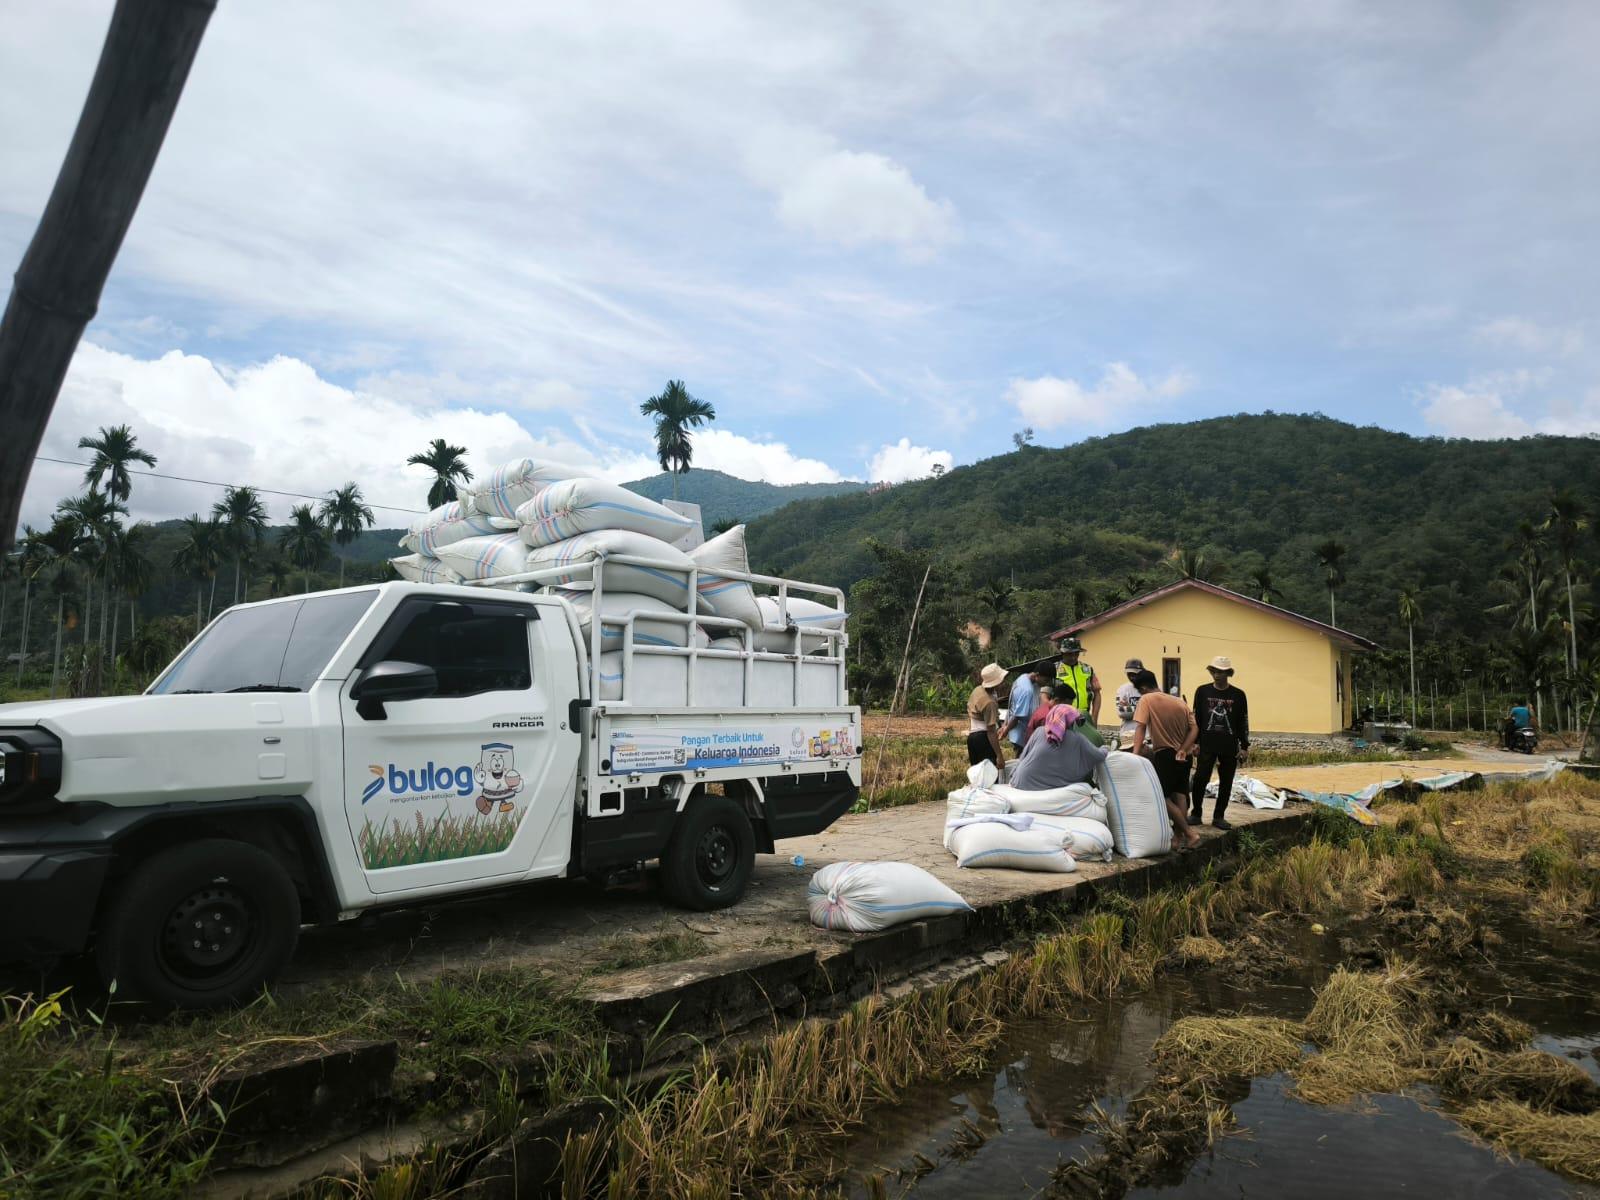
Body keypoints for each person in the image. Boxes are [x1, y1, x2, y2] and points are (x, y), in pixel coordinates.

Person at [1129, 669, 1200, 850]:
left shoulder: (1146, 700)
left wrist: (1135, 755)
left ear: (1144, 687)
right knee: (1180, 795)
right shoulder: (1179, 702)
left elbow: (1140, 727)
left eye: (1140, 691)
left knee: (1160, 796)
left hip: (1165, 754)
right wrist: (1184, 749)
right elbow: (1194, 729)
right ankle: (1178, 838)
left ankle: (1190, 833)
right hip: (1184, 755)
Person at [1189, 656, 1250, 831]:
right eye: (1214, 671)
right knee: (1200, 778)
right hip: (1206, 743)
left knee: (1226, 781)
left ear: (1228, 674)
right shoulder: (1202, 691)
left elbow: (1243, 721)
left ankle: (1219, 816)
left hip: (1229, 745)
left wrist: (1244, 746)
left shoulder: (1238, 695)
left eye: (1221, 672)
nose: (1217, 674)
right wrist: (1194, 742)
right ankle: (1196, 813)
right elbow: (1197, 718)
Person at [1011, 703, 1111, 790]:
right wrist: (1105, 748)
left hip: (1021, 782)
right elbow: (1099, 756)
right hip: (1048, 787)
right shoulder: (1077, 738)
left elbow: (1022, 757)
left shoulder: (1039, 731)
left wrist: (1013, 774)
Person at [1053, 636, 1102, 728]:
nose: (1073, 657)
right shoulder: (1054, 669)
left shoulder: (1087, 669)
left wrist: (1094, 719)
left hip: (1084, 717)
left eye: (1076, 654)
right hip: (1062, 718)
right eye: (1069, 654)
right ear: (1062, 653)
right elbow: (1045, 696)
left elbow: (1097, 693)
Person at [1002, 665, 1049, 757]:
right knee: (1022, 760)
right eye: (1045, 680)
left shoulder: (1023, 678)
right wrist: (1006, 730)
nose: (1045, 684)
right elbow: (1018, 716)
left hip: (1018, 731)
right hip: (1021, 734)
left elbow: (1012, 705)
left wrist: (1005, 724)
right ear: (1037, 675)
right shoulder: (1027, 690)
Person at [967, 663, 1007, 766]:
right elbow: (991, 732)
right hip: (983, 739)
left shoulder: (977, 690)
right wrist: (999, 756)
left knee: (978, 776)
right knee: (990, 776)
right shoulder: (989, 703)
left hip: (972, 738)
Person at [1115, 658, 1144, 748]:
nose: (1132, 677)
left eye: (1134, 674)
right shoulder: (1122, 689)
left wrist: (1130, 707)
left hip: (1147, 735)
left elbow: (1155, 710)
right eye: (1129, 674)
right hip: (1127, 734)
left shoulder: (1151, 688)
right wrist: (1144, 709)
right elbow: (1121, 712)